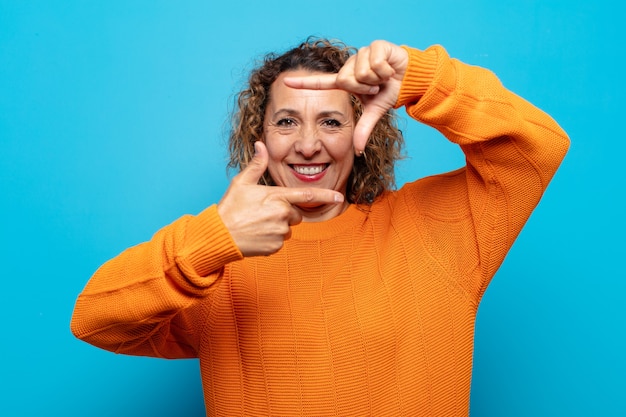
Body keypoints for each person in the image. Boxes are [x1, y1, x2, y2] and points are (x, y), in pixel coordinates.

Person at [71, 37, 570, 416]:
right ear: (258, 134)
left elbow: (537, 148)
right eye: (287, 121)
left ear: (363, 133)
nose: (308, 144)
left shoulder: (440, 229)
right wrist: (214, 239)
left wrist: (421, 80)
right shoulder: (215, 259)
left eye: (331, 122)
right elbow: (93, 319)